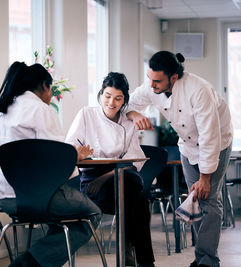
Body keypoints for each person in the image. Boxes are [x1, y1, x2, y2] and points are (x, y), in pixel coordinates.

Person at [0, 62, 101, 267]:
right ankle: (29, 263)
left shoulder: (1, 113)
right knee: (92, 213)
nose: (51, 96)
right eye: (51, 89)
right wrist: (76, 156)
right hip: (43, 199)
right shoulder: (41, 110)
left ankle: (35, 262)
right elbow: (54, 161)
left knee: (65, 217)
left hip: (7, 199)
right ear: (44, 86)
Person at [126, 51, 233, 267]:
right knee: (195, 198)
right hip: (187, 147)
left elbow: (209, 136)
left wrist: (205, 177)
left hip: (217, 144)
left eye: (157, 80)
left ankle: (207, 261)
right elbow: (128, 103)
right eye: (150, 78)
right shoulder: (151, 86)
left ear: (173, 77)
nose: (151, 84)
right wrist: (135, 114)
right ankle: (202, 257)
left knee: (209, 198)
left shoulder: (198, 90)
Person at [66, 72, 155, 267]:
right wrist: (79, 153)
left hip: (120, 177)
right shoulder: (86, 114)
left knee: (132, 186)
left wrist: (108, 175)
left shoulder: (128, 122)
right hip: (93, 183)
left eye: (118, 98)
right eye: (107, 96)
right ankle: (140, 258)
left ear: (125, 100)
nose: (111, 102)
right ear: (101, 94)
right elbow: (69, 150)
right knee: (139, 199)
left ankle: (133, 254)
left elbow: (134, 160)